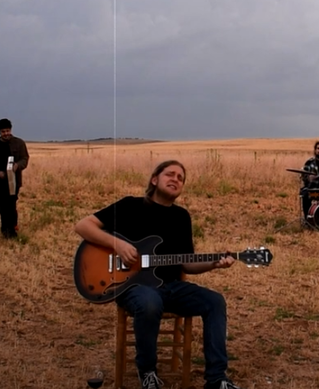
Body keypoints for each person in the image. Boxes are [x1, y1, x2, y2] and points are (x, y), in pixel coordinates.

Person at [73, 161, 244, 389]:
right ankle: (148, 371)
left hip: (172, 288)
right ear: (155, 180)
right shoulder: (129, 206)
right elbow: (83, 226)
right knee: (150, 302)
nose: (175, 179)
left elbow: (186, 264)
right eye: (170, 174)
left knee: (215, 301)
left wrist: (215, 263)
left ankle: (217, 379)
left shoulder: (181, 217)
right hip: (132, 288)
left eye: (181, 178)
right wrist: (119, 245)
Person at [0, 118, 29, 238]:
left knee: (11, 206)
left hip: (14, 182)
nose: (6, 134)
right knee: (2, 207)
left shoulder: (19, 143)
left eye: (8, 130)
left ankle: (13, 229)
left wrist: (17, 166)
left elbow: (25, 159)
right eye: (3, 131)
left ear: (11, 130)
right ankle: (5, 231)